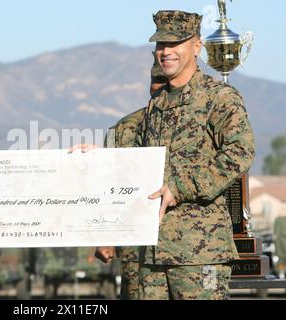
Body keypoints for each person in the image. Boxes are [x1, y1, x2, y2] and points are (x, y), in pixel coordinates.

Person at [134, 10, 255, 300]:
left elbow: (240, 151)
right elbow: (136, 161)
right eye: (161, 45)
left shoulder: (218, 98)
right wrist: (94, 158)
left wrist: (180, 187)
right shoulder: (156, 105)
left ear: (197, 47)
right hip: (153, 254)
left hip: (201, 253)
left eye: (175, 44)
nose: (166, 52)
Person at [95, 55, 168, 300]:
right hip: (137, 247)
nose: (158, 86)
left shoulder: (200, 122)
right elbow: (108, 186)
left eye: (165, 80)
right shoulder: (125, 129)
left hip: (189, 243)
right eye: (155, 80)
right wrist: (104, 237)